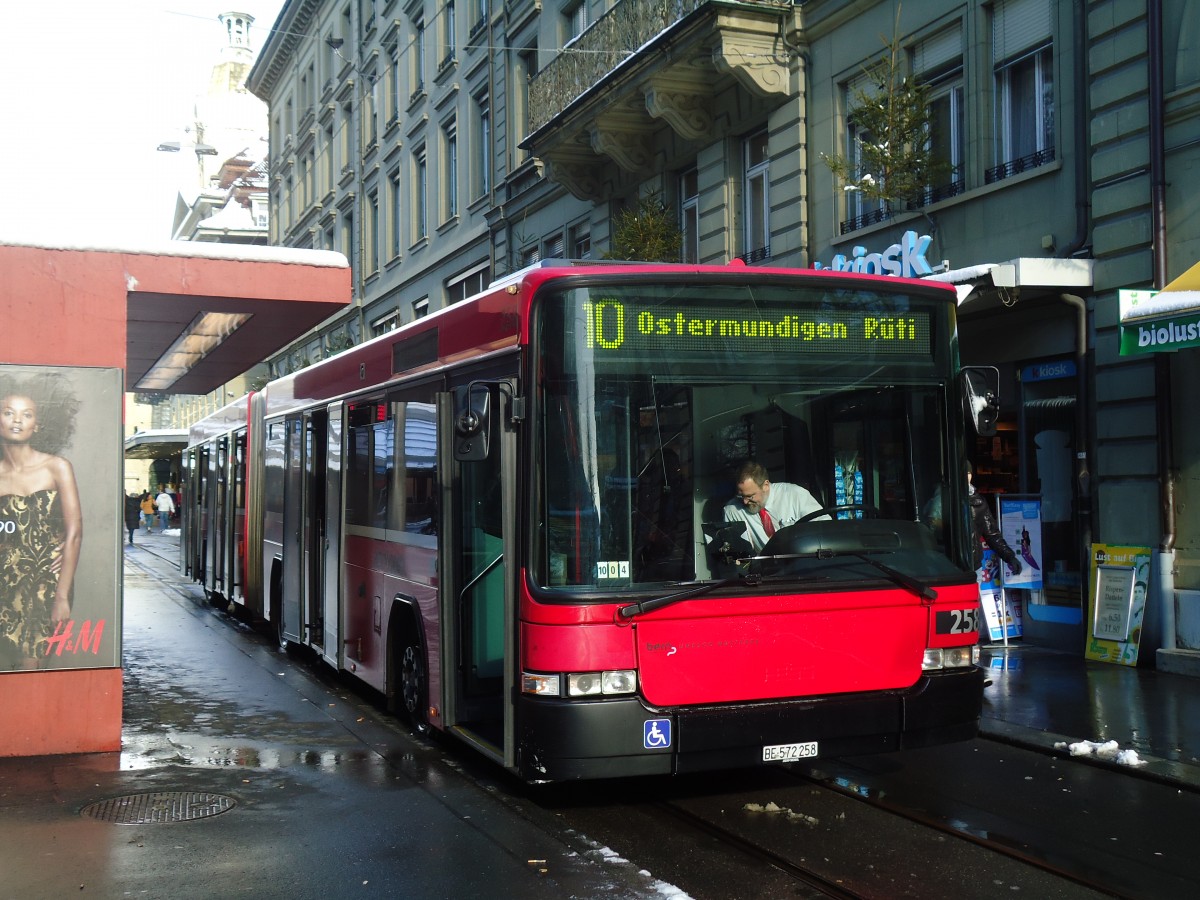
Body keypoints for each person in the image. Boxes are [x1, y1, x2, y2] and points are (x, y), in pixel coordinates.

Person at [0, 374, 83, 670]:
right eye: (8, 412)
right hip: (3, 580)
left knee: (30, 669)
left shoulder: (57, 467)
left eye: (27, 414)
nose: (17, 420)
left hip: (45, 583)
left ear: (38, 424)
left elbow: (73, 533)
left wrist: (61, 595)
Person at [723, 460, 824, 552]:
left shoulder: (795, 495)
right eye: (741, 496)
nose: (745, 502)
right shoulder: (732, 510)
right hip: (767, 568)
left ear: (765, 485)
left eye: (750, 496)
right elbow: (737, 553)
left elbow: (824, 529)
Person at [967, 461, 1021, 576]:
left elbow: (992, 534)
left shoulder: (978, 502)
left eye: (969, 473)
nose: (966, 477)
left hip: (973, 566)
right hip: (948, 566)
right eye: (963, 473)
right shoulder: (943, 498)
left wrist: (1010, 557)